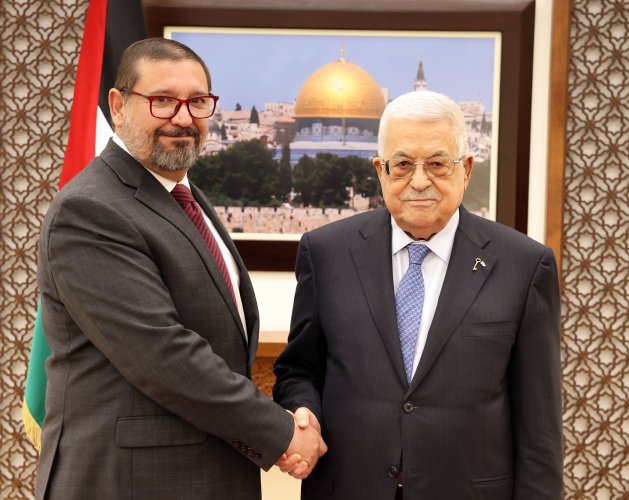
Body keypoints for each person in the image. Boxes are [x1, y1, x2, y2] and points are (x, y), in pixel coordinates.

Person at [35, 37, 325, 500]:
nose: (184, 117)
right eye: (163, 100)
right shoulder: (90, 209)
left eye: (197, 102)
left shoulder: (183, 196)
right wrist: (282, 433)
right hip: (127, 483)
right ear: (118, 106)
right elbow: (162, 354)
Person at [273, 90, 563, 499]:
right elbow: (299, 369)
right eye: (404, 164)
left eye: (438, 164)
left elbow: (540, 426)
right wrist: (304, 412)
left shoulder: (524, 266)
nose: (420, 181)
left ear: (466, 169)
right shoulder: (326, 253)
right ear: (381, 171)